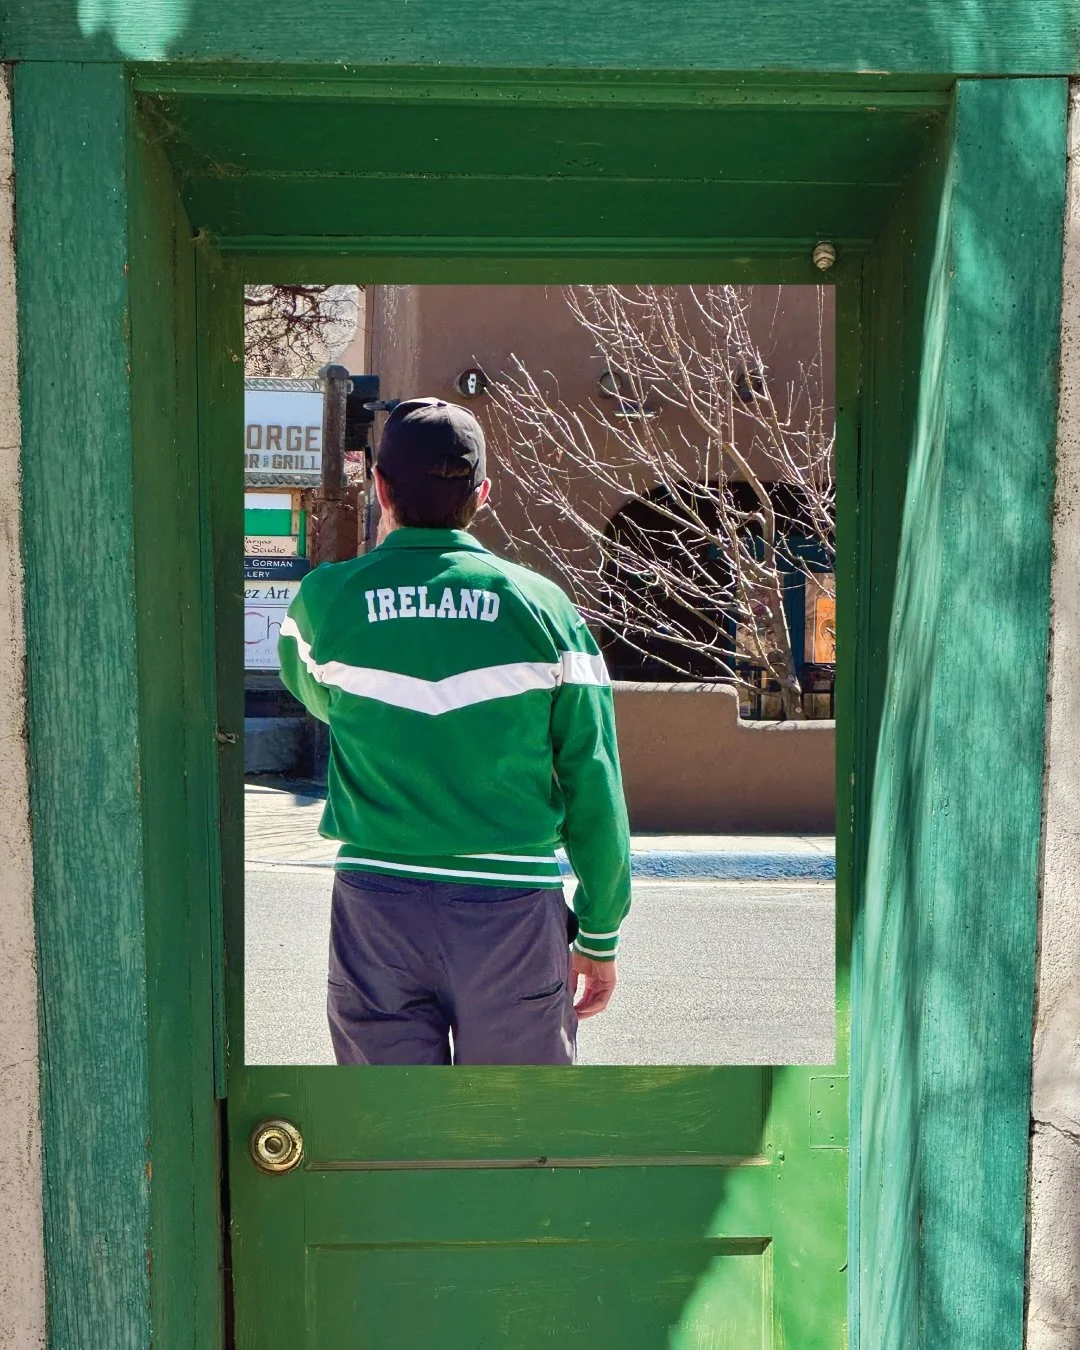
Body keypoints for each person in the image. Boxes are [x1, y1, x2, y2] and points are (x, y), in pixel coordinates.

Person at [278, 396, 631, 1065]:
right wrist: (602, 929)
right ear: (483, 494)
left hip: (375, 906)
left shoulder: (325, 601)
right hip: (513, 914)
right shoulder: (546, 610)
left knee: (393, 1134)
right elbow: (593, 775)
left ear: (380, 487)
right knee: (516, 1134)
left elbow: (323, 700)